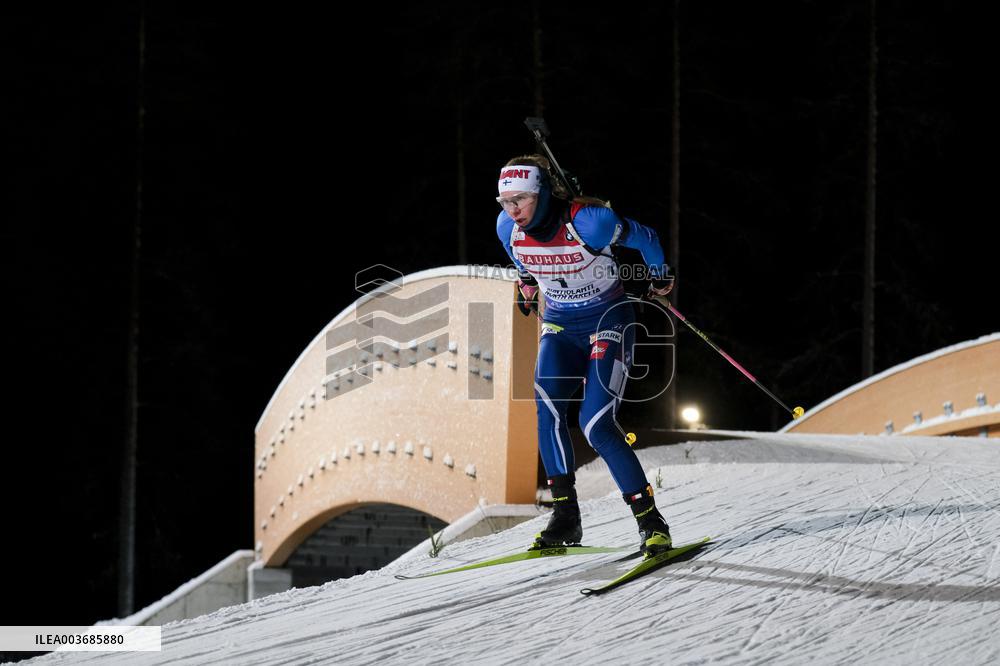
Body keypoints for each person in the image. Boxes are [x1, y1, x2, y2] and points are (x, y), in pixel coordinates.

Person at [495, 154, 675, 557]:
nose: (513, 210)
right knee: (547, 408)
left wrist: (659, 274)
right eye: (505, 201)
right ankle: (565, 517)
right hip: (560, 324)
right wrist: (527, 284)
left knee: (594, 422)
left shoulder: (590, 222)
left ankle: (651, 522)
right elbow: (522, 261)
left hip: (608, 319)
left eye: (521, 200)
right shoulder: (507, 227)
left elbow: (646, 238)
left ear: (543, 194)